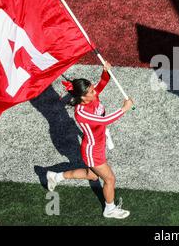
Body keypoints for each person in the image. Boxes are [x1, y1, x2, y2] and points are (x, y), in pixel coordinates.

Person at [46, 61, 134, 219]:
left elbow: (103, 83)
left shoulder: (91, 96)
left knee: (91, 175)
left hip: (98, 144)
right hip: (93, 151)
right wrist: (124, 109)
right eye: (91, 92)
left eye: (93, 89)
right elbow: (104, 121)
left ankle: (55, 176)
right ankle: (110, 209)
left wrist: (105, 71)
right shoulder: (81, 113)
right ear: (82, 97)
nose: (95, 93)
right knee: (110, 179)